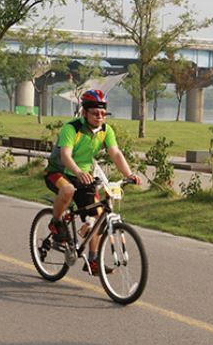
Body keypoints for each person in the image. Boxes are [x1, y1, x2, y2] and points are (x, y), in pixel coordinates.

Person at [45, 89, 141, 274]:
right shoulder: (71, 128)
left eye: (103, 113)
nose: (100, 117)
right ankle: (55, 222)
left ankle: (93, 259)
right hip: (59, 172)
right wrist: (78, 171)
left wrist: (129, 174)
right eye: (95, 113)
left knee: (98, 217)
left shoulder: (106, 131)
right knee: (68, 191)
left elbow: (116, 154)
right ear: (84, 112)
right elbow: (65, 155)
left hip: (85, 175)